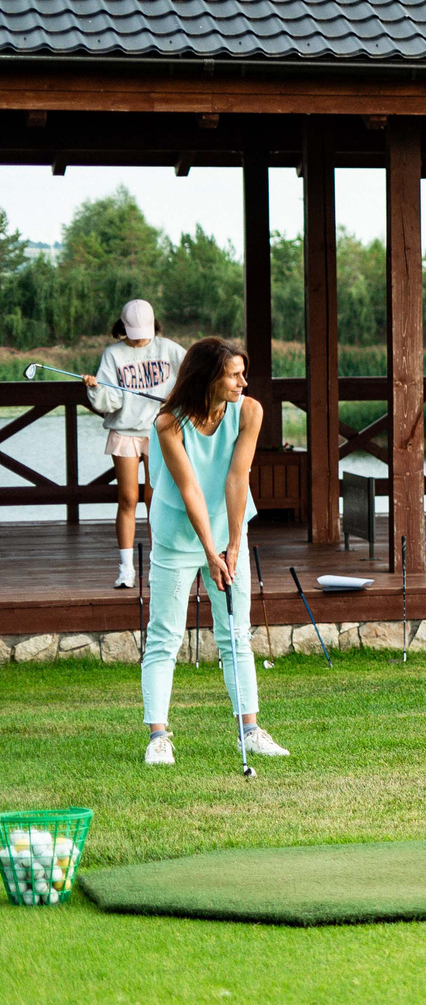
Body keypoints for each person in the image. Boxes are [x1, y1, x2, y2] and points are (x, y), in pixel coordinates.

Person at [141, 337, 287, 768]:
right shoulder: (168, 423)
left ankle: (250, 730)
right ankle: (159, 737)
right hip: (178, 536)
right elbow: (189, 489)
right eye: (234, 374)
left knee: (235, 634)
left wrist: (232, 547)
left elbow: (237, 478)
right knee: (165, 636)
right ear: (209, 378)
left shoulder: (250, 411)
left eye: (244, 372)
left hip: (227, 532)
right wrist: (209, 550)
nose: (244, 380)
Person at [84, 298, 186, 590]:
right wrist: (96, 390)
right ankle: (126, 568)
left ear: (154, 326)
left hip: (159, 430)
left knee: (156, 500)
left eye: (145, 330)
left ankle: (159, 565)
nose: (140, 336)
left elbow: (193, 375)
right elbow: (111, 401)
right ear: (123, 327)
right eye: (134, 330)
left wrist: (178, 397)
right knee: (128, 499)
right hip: (126, 432)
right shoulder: (113, 355)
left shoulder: (168, 349)